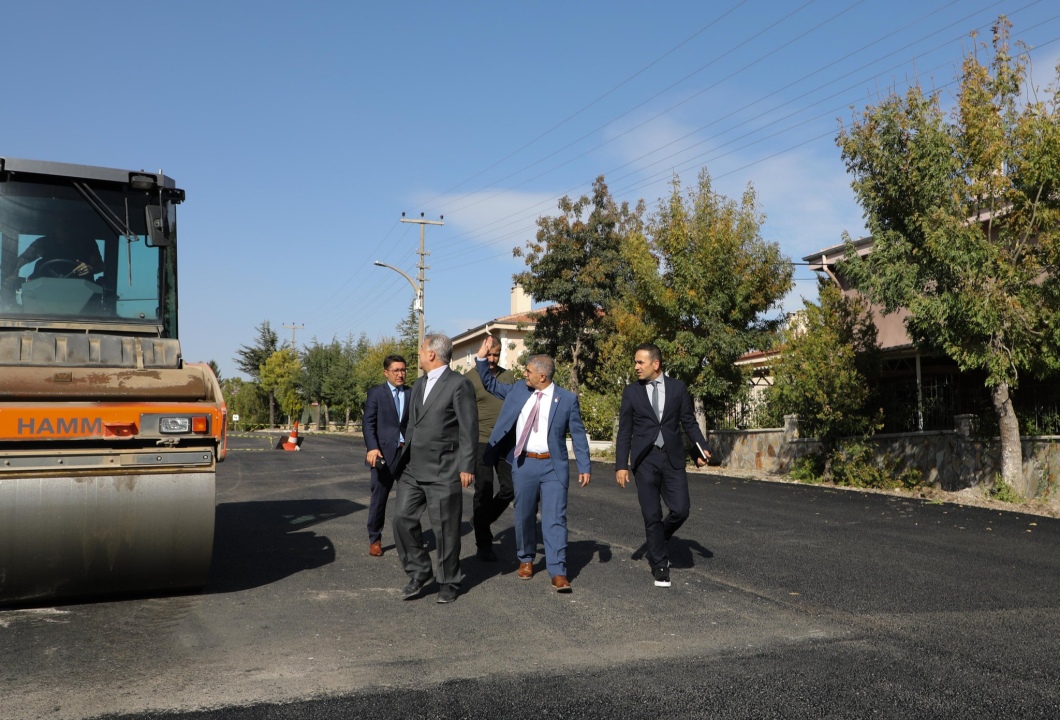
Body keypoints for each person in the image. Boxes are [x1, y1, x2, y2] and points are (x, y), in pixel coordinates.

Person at [476, 336, 591, 593]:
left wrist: (584, 466)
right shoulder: (519, 389)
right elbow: (490, 384)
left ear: (542, 376)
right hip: (524, 463)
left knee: (555, 518)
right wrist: (482, 357)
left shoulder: (567, 400)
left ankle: (558, 570)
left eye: (528, 371)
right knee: (524, 514)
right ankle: (526, 559)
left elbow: (579, 434)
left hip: (553, 467)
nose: (524, 374)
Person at [615, 342, 710, 588]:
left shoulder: (677, 388)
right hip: (644, 460)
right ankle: (660, 565)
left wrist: (700, 447)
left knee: (681, 509)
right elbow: (625, 431)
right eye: (635, 362)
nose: (636, 367)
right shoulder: (631, 392)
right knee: (652, 514)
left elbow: (688, 422)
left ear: (655, 364)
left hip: (672, 457)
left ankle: (660, 537)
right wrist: (621, 465)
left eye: (640, 362)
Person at [392, 334, 478, 604]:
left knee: (446, 529)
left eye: (421, 349)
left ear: (431, 354)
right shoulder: (418, 384)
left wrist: (466, 465)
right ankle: (419, 571)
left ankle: (449, 581)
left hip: (444, 469)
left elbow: (468, 428)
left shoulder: (458, 385)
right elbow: (413, 423)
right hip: (412, 467)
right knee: (401, 520)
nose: (417, 354)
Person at [464, 342, 516, 561]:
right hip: (482, 442)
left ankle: (481, 520)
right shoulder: (470, 377)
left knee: (510, 488)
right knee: (483, 492)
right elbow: (464, 413)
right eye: (490, 354)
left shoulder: (509, 377)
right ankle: (483, 543)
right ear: (484, 354)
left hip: (506, 442)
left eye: (497, 355)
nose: (493, 359)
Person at [362, 354, 411, 557]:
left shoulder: (412, 392)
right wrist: (372, 448)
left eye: (403, 370)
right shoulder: (376, 394)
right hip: (383, 454)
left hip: (407, 454)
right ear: (386, 372)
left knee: (411, 499)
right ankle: (375, 538)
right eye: (396, 370)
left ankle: (408, 539)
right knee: (379, 498)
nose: (400, 374)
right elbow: (368, 423)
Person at [16, 235, 104, 280]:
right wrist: (12, 276)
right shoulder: (43, 243)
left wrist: (90, 268)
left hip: (84, 302)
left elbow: (100, 266)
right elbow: (18, 262)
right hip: (42, 297)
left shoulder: (87, 244)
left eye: (68, 221)